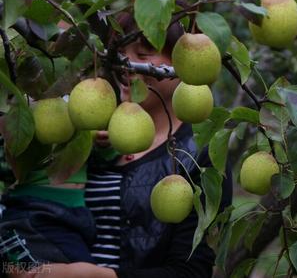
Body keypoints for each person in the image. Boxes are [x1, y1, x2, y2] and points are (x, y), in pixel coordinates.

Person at [5, 17, 232, 277]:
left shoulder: (200, 154)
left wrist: (101, 277)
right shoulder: (88, 120)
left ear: (183, 63)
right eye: (120, 52)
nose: (126, 64)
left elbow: (192, 269)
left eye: (143, 54)